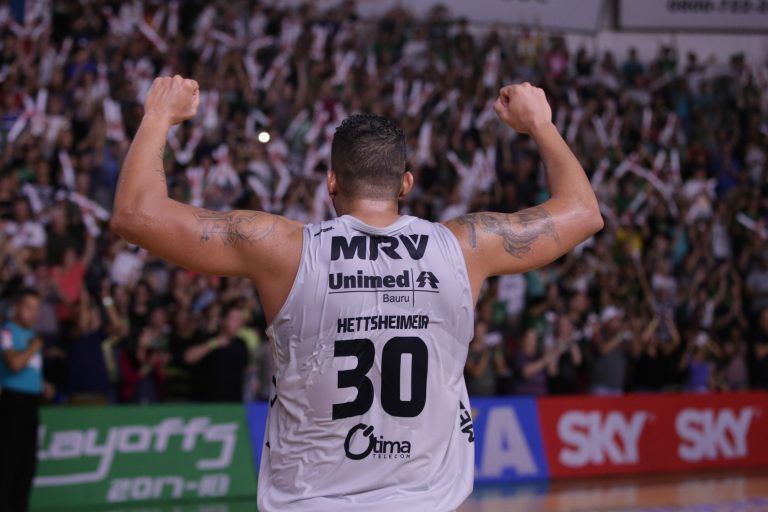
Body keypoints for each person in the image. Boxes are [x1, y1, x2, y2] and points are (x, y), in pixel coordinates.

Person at [111, 76, 602, 511]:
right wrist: (540, 124)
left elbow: (135, 214)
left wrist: (159, 115)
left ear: (331, 181)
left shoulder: (283, 249)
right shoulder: (464, 248)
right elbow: (583, 213)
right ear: (405, 183)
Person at [0, 289, 48, 512]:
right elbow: (15, 364)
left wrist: (44, 384)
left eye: (37, 308)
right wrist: (34, 347)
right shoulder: (7, 332)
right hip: (12, 404)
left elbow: (30, 370)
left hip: (31, 405)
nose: (33, 313)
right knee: (8, 464)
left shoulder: (31, 335)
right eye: (29, 307)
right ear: (18, 307)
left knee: (27, 466)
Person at [184, 303, 248, 402]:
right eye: (234, 319)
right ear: (223, 320)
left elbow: (246, 371)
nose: (238, 324)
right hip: (206, 403)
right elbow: (188, 357)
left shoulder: (241, 344)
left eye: (240, 320)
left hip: (233, 404)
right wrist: (214, 343)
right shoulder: (208, 338)